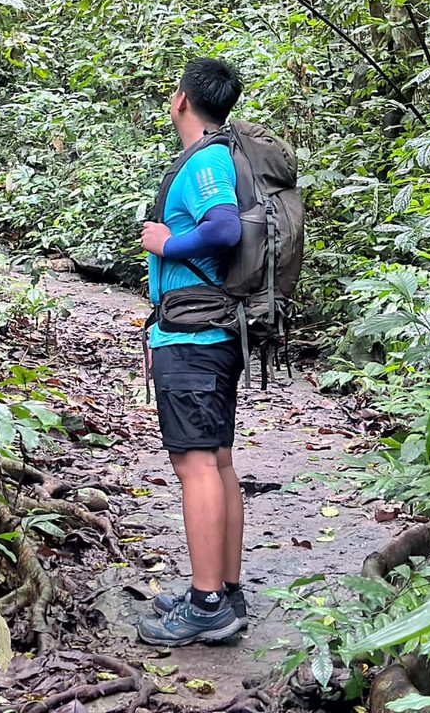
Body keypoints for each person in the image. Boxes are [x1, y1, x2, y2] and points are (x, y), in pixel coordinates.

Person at [136, 57, 248, 647]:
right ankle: (225, 590)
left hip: (193, 339)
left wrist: (168, 242)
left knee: (196, 465)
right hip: (213, 336)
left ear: (182, 99)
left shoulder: (205, 158)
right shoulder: (215, 154)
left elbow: (225, 228)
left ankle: (206, 605)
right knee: (218, 461)